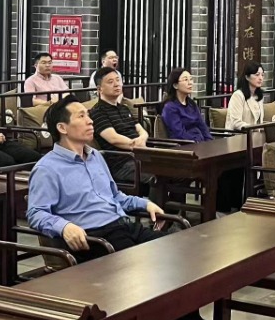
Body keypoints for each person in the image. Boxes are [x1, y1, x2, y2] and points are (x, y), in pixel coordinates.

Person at [26, 95, 231, 320]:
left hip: (124, 225)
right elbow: (36, 213)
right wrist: (64, 226)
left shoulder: (96, 156)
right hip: (96, 237)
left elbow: (115, 197)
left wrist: (144, 204)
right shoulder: (47, 168)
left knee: (179, 249)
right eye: (81, 116)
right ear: (62, 127)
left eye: (88, 115)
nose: (90, 121)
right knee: (150, 267)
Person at [160, 68, 243, 212]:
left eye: (191, 79)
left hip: (201, 146)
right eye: (186, 80)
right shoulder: (170, 108)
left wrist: (210, 143)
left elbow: (202, 126)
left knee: (232, 163)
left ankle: (228, 207)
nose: (190, 82)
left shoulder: (192, 104)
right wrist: (199, 144)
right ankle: (209, 211)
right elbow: (179, 133)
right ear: (175, 85)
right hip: (185, 149)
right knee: (214, 169)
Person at [88, 67, 153, 189]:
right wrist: (135, 145)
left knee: (178, 172)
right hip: (122, 163)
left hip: (140, 155)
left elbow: (141, 130)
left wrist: (142, 139)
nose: (116, 84)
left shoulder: (124, 108)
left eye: (118, 80)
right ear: (99, 89)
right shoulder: (97, 112)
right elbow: (114, 139)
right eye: (110, 82)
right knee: (160, 176)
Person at [225, 62, 265, 145]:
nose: (260, 78)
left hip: (254, 137)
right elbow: (236, 123)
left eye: (262, 75)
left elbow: (259, 122)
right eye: (257, 75)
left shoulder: (259, 96)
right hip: (237, 138)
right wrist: (255, 128)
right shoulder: (238, 95)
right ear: (247, 77)